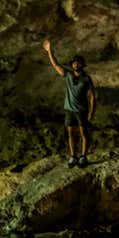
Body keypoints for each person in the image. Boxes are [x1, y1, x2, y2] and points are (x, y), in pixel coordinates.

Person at [42, 39, 96, 167]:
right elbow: (56, 65)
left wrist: (91, 113)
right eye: (74, 63)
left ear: (82, 65)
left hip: (81, 111)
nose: (76, 65)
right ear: (72, 65)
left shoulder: (86, 79)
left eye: (78, 63)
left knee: (84, 134)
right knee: (71, 134)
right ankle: (73, 157)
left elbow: (93, 97)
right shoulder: (69, 75)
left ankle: (83, 156)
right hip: (69, 110)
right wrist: (50, 51)